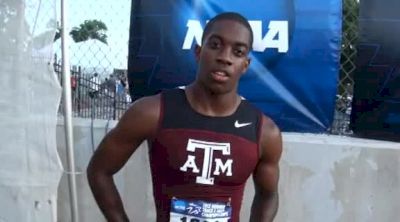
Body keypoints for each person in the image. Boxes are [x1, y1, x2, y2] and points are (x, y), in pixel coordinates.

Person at [87, 12, 282, 222]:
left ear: (245, 64)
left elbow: (268, 195)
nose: (224, 57)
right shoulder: (152, 112)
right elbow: (99, 171)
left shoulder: (264, 132)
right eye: (215, 45)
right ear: (199, 52)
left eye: (237, 51)